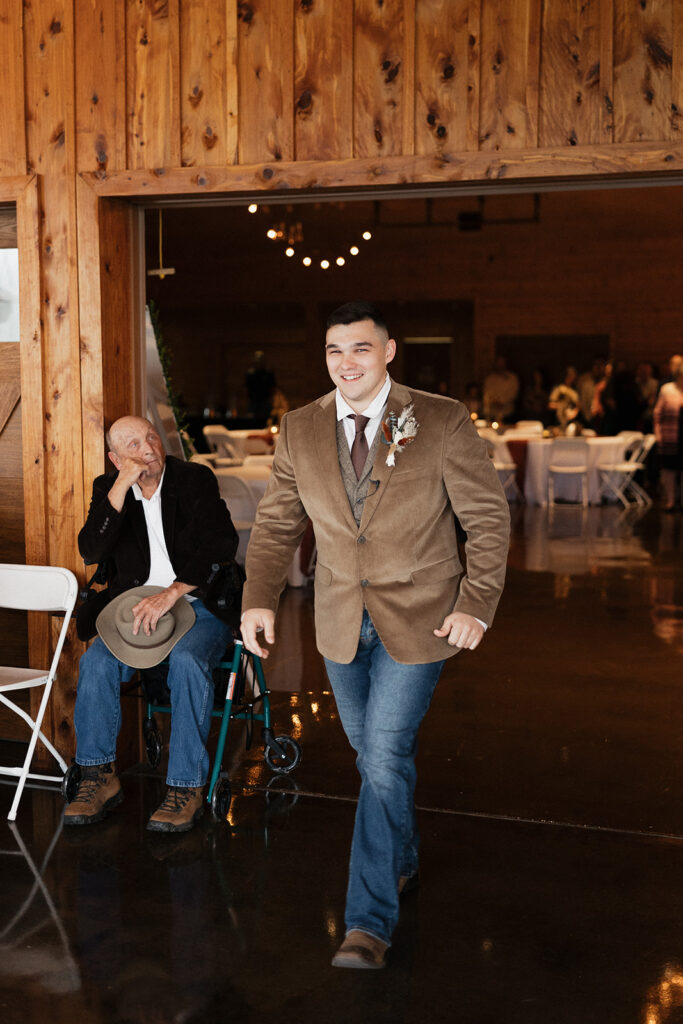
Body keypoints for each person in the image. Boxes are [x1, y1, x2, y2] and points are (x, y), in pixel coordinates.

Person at [240, 301, 510, 969]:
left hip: (422, 617)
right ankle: (403, 856)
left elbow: (486, 518)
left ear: (388, 352)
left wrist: (475, 603)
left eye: (360, 348)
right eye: (334, 351)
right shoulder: (299, 428)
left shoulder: (440, 418)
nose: (346, 362)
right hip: (336, 620)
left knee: (383, 758)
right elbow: (276, 526)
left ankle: (366, 924)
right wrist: (258, 599)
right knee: (372, 757)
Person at [64, 416, 238, 832]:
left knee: (187, 660)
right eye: (133, 444)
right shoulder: (110, 491)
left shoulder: (193, 479)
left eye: (151, 437)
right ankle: (98, 777)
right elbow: (90, 549)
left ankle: (185, 787)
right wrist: (122, 486)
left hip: (198, 604)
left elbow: (221, 544)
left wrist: (172, 592)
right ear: (115, 458)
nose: (148, 447)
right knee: (96, 664)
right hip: (138, 612)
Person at [654, 363, 683, 510]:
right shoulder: (668, 390)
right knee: (669, 469)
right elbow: (657, 413)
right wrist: (658, 433)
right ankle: (671, 500)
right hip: (670, 435)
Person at [483, 355, 519, 423]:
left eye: (502, 362)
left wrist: (502, 401)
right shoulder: (490, 379)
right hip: (493, 414)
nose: (500, 365)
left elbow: (513, 393)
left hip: (507, 413)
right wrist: (494, 401)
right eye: (498, 362)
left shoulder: (512, 378)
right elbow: (487, 392)